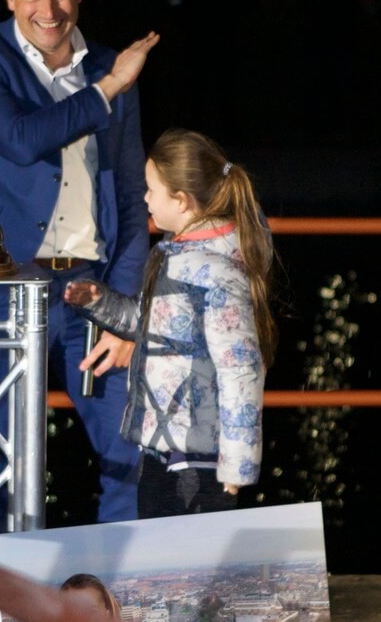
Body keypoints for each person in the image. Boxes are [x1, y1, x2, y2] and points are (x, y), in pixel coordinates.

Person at [0, 0, 160, 537]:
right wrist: (108, 89)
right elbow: (21, 139)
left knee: (132, 454)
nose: (49, 11)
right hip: (2, 293)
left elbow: (127, 194)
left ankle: (116, 596)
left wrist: (124, 310)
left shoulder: (108, 64)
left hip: (90, 295)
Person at [64, 129, 277, 518]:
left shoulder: (217, 273)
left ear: (181, 200)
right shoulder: (168, 256)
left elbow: (240, 368)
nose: (145, 198)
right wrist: (98, 302)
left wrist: (238, 463)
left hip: (203, 455)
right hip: (161, 444)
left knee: (196, 568)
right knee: (163, 560)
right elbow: (148, 325)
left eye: (151, 189)